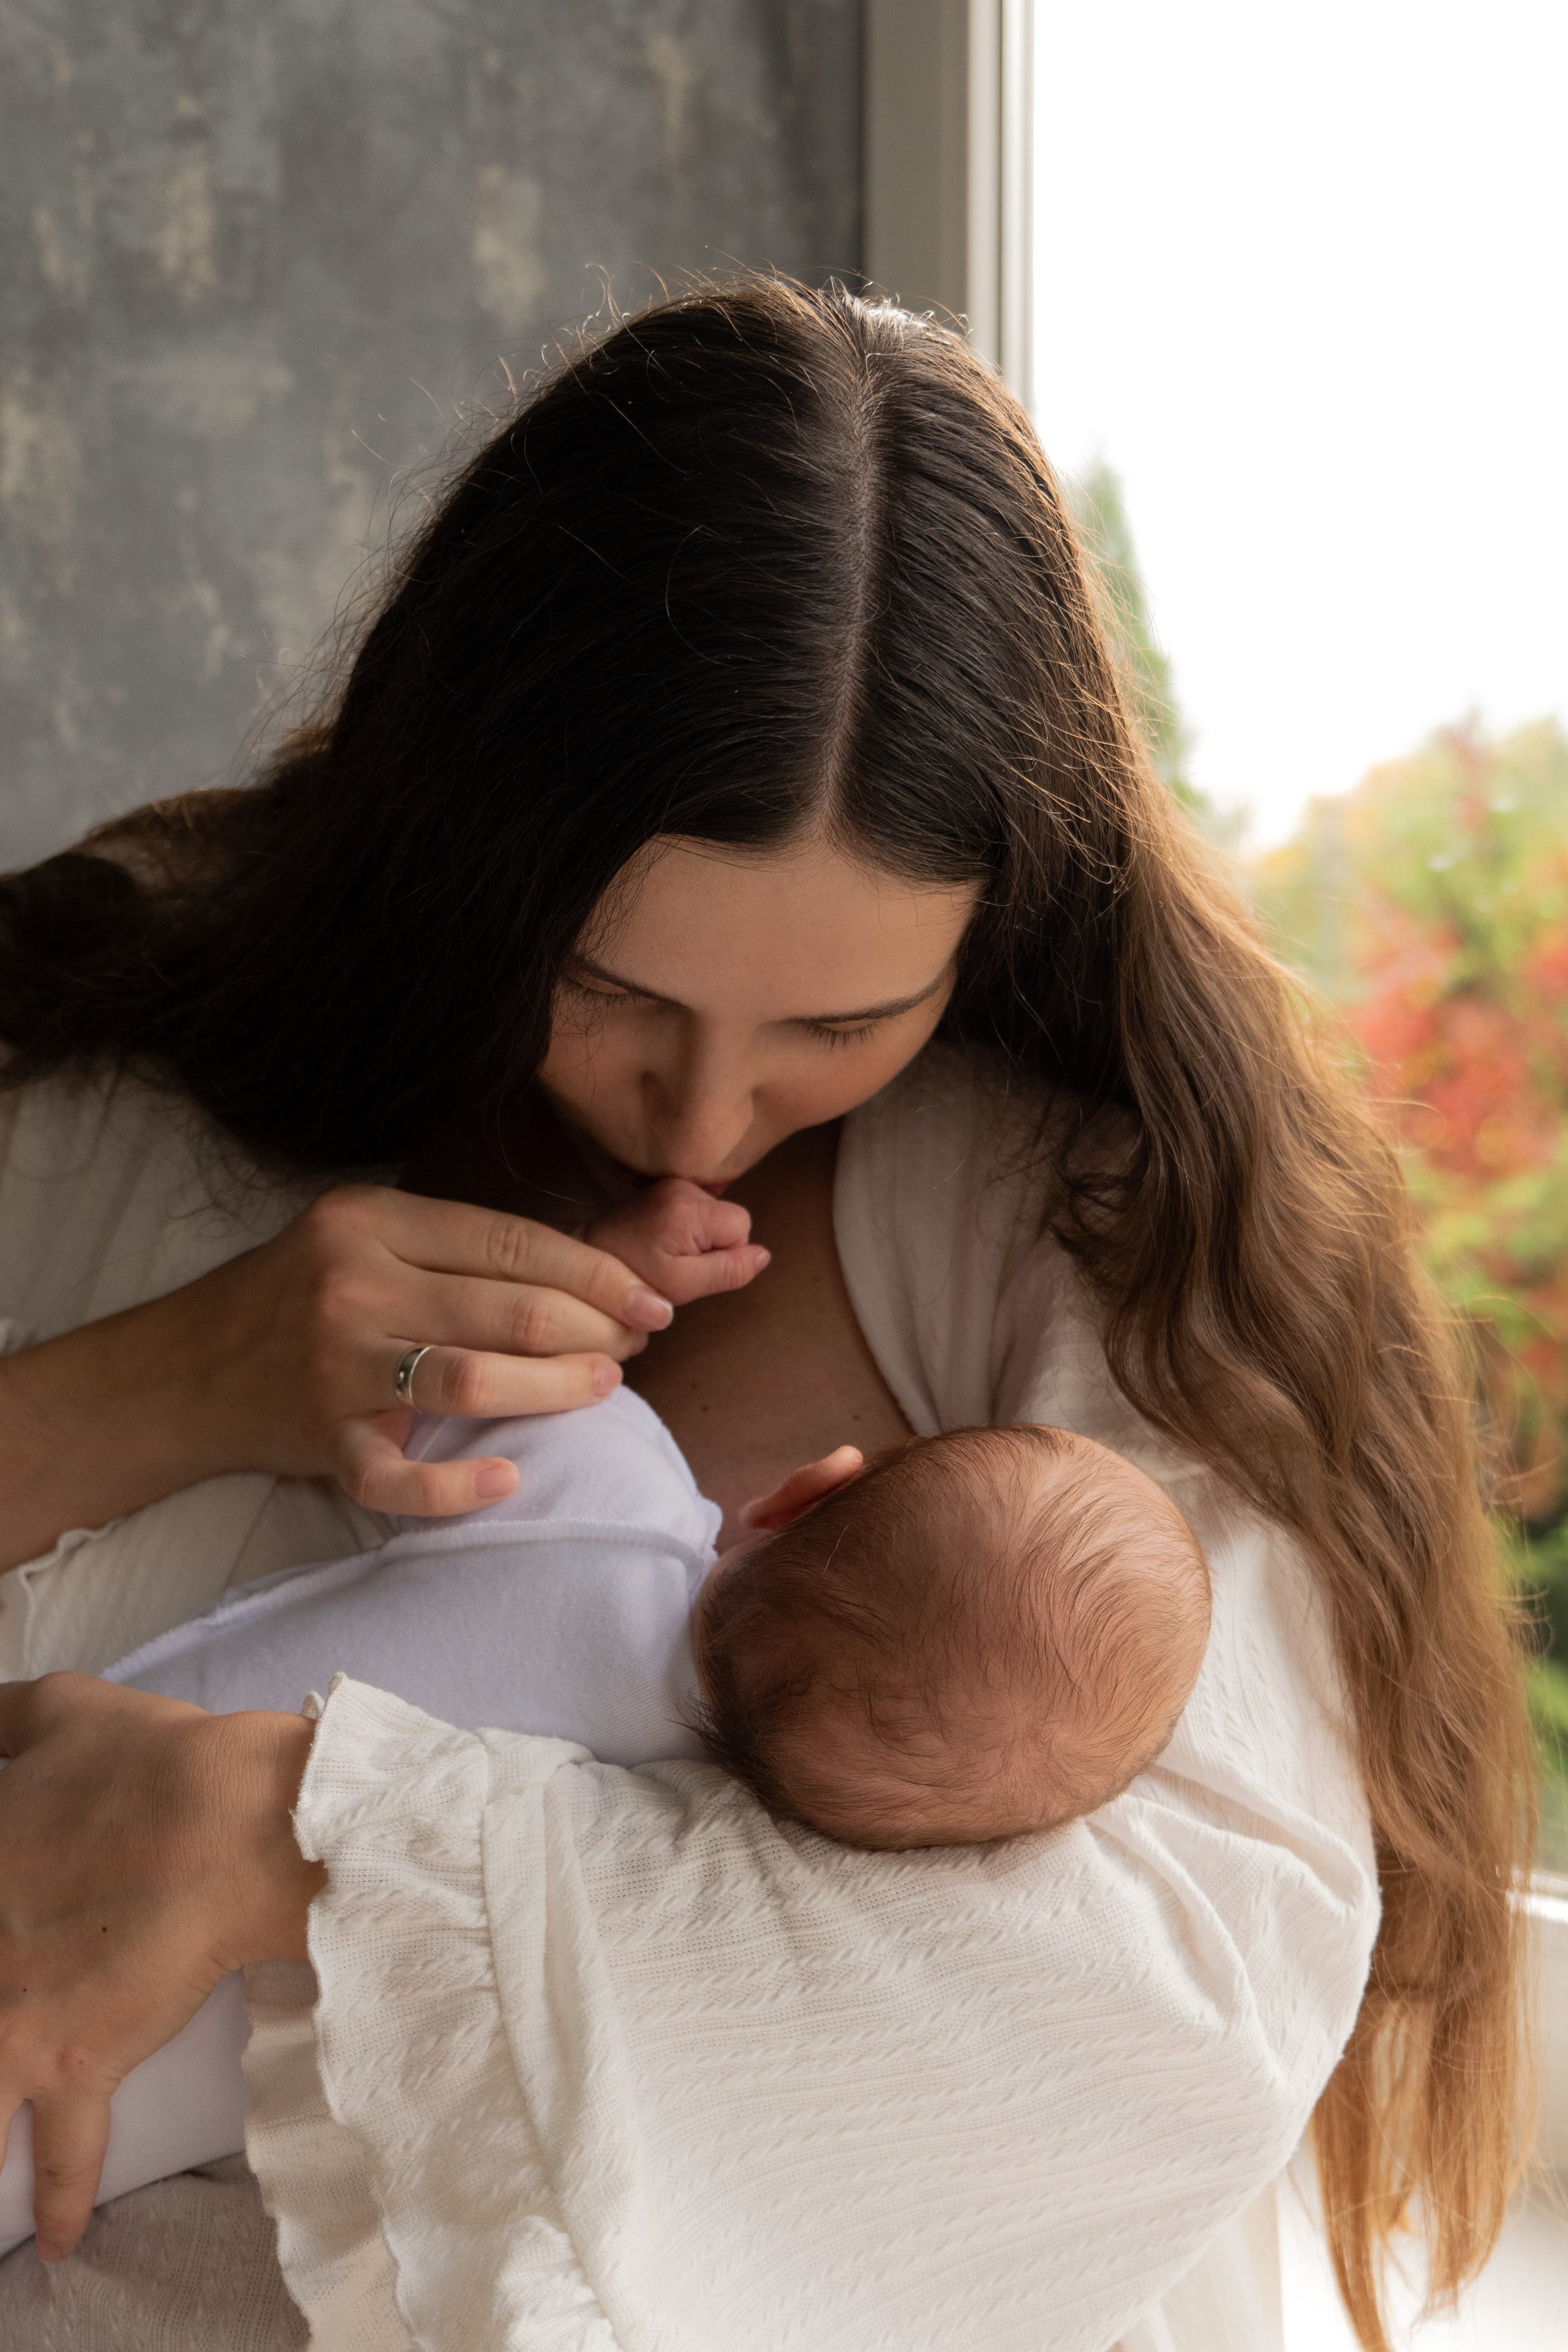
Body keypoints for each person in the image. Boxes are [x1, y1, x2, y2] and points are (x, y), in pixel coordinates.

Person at [0, 279, 1531, 2352]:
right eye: (616, 990)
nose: (713, 1112)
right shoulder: (114, 1073)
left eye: (839, 1019)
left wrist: (295, 1832)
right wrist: (166, 1383)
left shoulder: (1095, 1234)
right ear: (464, 852)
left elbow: (1178, 2003)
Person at [0, 1182, 1210, 2257]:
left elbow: (460, 1354)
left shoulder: (607, 1509)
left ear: (804, 1492)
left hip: (52, 1790)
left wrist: (603, 1284)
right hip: (59, 2114)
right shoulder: (631, 1888)